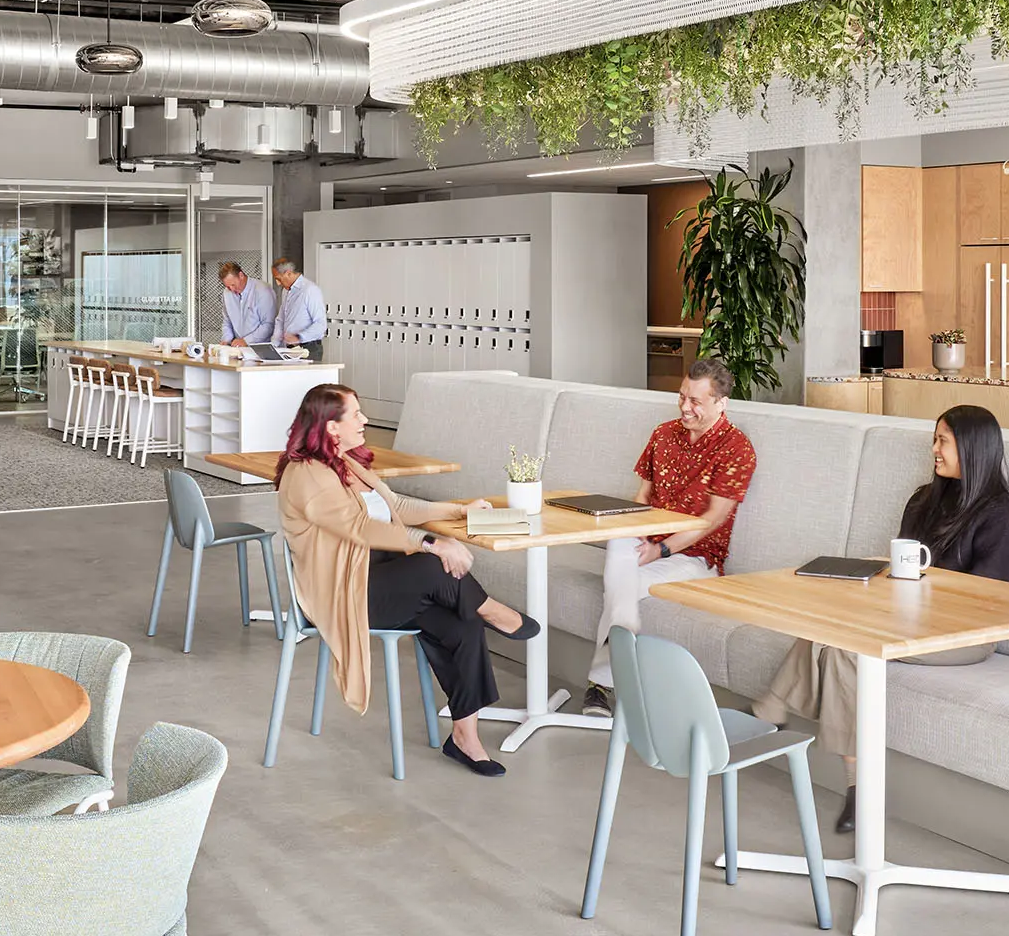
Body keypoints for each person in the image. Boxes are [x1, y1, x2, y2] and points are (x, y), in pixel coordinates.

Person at [756, 405, 1009, 833]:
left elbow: (986, 600)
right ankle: (853, 785)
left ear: (972, 448)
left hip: (965, 635)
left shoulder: (1000, 516)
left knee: (847, 650)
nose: (933, 449)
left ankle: (773, 713)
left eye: (943, 441)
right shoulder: (924, 500)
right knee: (829, 626)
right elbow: (903, 569)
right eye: (934, 439)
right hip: (909, 620)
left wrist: (916, 600)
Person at [278, 383, 541, 776]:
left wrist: (458, 511)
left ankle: (464, 738)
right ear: (331, 426)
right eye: (356, 414)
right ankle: (492, 609)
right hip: (346, 593)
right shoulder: (306, 475)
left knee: (463, 622)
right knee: (433, 565)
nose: (365, 420)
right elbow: (358, 527)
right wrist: (430, 542)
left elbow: (395, 506)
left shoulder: (345, 462)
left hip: (384, 581)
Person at [586, 358, 756, 716]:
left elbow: (712, 519)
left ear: (721, 403)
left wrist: (660, 549)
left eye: (695, 401)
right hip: (646, 539)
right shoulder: (663, 434)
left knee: (624, 581)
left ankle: (601, 684)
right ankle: (621, 653)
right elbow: (642, 497)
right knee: (620, 552)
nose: (684, 407)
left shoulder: (737, 448)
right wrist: (634, 534)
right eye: (681, 396)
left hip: (695, 557)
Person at [269, 257, 327, 361]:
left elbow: (321, 324)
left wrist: (299, 337)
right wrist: (273, 345)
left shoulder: (310, 290)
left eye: (279, 279)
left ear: (288, 273)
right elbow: (281, 319)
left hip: (308, 348)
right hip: (290, 349)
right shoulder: (286, 291)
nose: (278, 283)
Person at [217, 261, 275, 347]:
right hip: (238, 348)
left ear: (241, 275)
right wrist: (226, 340)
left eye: (233, 285)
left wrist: (246, 341)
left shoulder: (263, 290)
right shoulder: (227, 293)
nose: (232, 289)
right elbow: (227, 321)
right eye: (228, 287)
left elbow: (268, 325)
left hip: (261, 347)